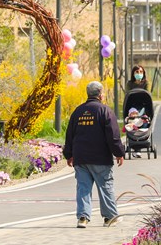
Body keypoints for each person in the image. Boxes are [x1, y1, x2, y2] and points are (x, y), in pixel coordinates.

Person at [63, 81, 125, 229]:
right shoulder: (105, 111)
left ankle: (83, 218)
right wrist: (119, 153)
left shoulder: (78, 112)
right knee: (105, 186)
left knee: (83, 187)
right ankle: (109, 217)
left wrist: (69, 154)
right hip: (101, 158)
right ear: (100, 94)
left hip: (81, 158)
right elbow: (113, 136)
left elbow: (70, 135)